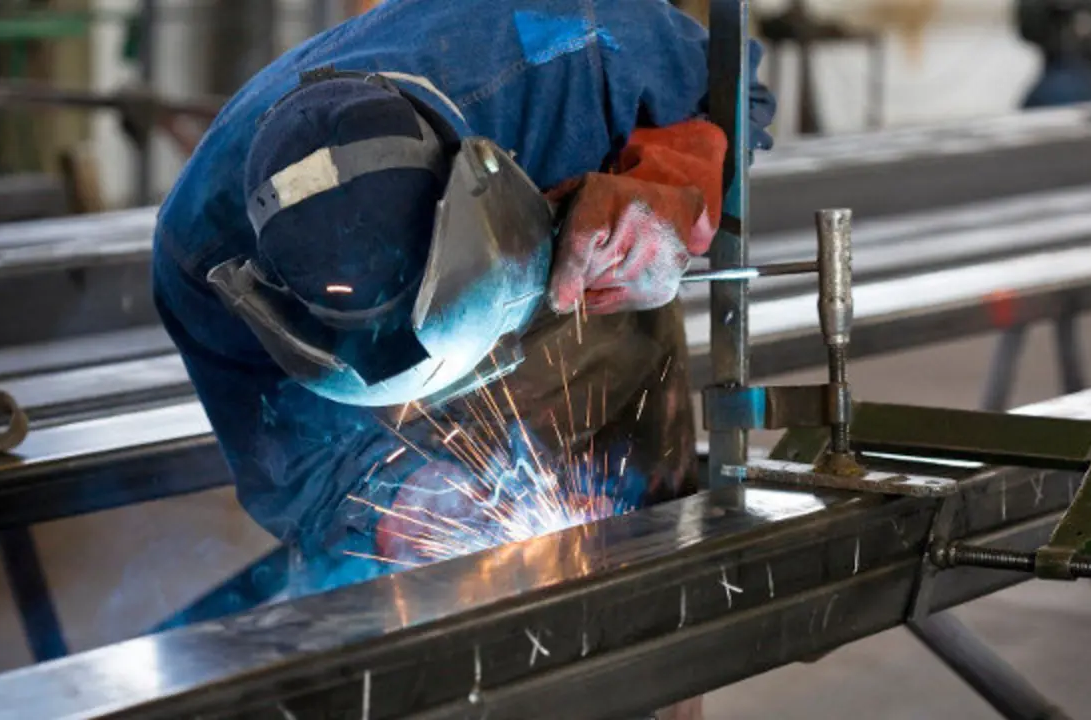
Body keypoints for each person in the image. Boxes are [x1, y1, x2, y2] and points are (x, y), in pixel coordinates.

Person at [155, 0, 774, 599]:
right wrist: (404, 504)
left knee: (648, 597)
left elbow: (732, 86)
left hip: (590, 315)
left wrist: (666, 180)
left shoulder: (567, 46)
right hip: (401, 437)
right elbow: (295, 465)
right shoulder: (203, 257)